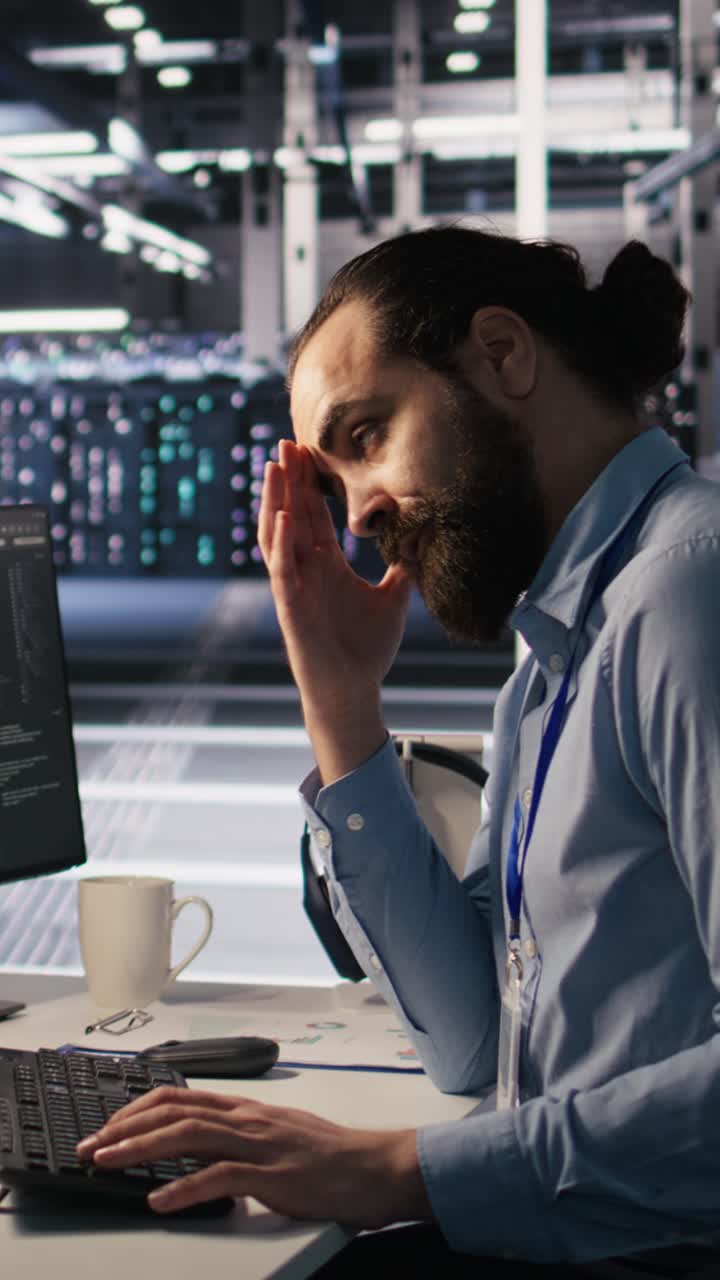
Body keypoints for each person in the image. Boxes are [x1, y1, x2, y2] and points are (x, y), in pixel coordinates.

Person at [77, 226, 720, 1278]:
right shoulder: (556, 654)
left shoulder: (687, 595)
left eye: (368, 433)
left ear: (504, 354)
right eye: (333, 479)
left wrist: (400, 1172)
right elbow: (473, 1038)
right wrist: (340, 701)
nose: (364, 515)